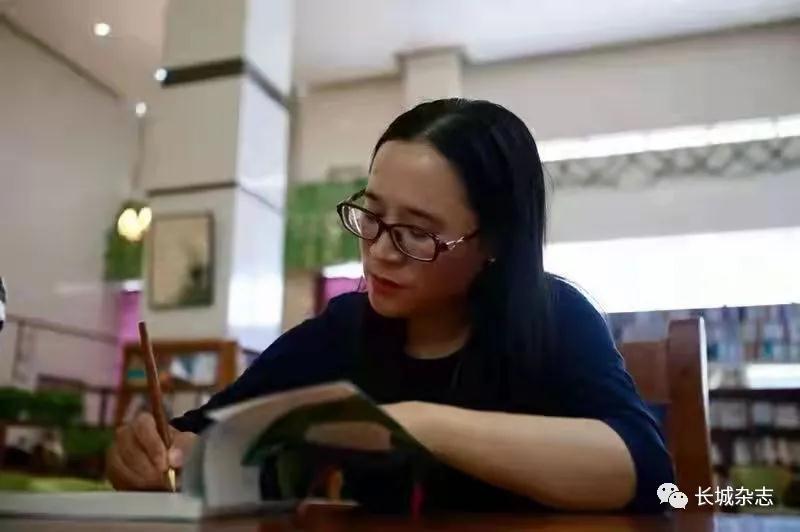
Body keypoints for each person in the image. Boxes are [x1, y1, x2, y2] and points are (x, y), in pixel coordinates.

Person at [107, 99, 673, 512]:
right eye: (372, 215)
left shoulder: (555, 316)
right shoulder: (342, 331)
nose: (379, 251)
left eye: (417, 233)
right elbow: (199, 439)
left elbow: (649, 474)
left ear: (493, 243)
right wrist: (152, 455)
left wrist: (417, 423)